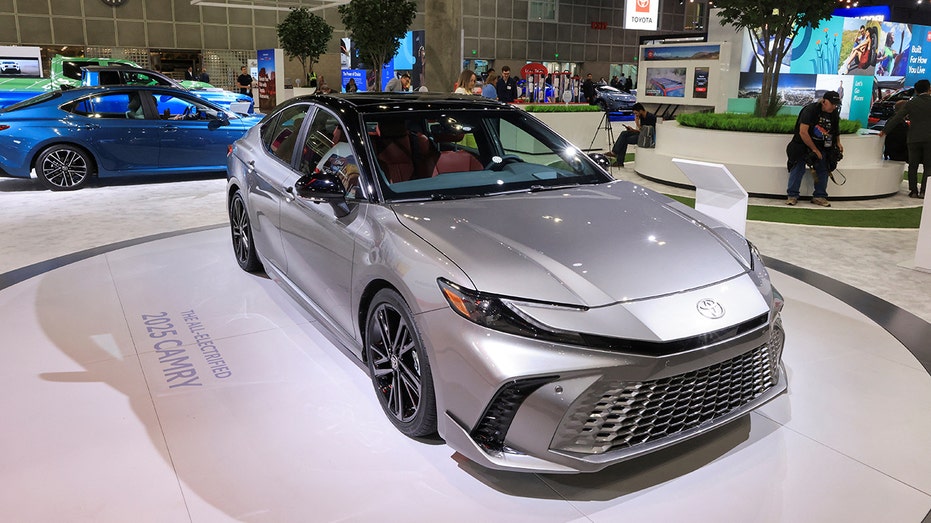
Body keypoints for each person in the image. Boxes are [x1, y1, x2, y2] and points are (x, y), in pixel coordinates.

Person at [785, 90, 844, 206]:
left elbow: (835, 130)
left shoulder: (834, 113)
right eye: (832, 103)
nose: (834, 106)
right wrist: (814, 149)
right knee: (798, 167)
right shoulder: (810, 110)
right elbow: (803, 132)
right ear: (824, 101)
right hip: (802, 143)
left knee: (823, 168)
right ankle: (792, 195)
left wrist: (838, 143)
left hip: (822, 145)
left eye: (836, 104)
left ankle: (820, 196)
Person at [882, 79, 931, 198]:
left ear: (916, 90)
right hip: (929, 139)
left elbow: (897, 117)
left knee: (912, 165)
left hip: (913, 138)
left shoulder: (911, 102)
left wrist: (885, 130)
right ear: (929, 89)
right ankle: (924, 191)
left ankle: (913, 191)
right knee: (928, 166)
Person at [605, 103, 656, 167]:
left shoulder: (651, 117)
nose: (636, 115)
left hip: (646, 138)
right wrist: (632, 130)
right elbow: (641, 130)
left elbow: (647, 132)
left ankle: (618, 159)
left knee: (625, 140)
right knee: (624, 133)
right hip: (641, 134)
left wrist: (637, 123)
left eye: (636, 113)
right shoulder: (641, 116)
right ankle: (615, 153)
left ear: (640, 111)